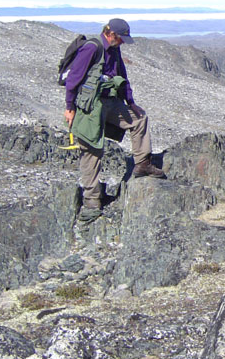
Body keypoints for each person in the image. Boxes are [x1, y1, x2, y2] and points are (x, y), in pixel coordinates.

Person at [64, 18, 165, 223]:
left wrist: (131, 101)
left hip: (109, 102)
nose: (123, 43)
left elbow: (123, 76)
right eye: (121, 38)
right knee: (92, 151)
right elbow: (73, 78)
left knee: (139, 119)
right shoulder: (92, 48)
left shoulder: (114, 49)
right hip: (90, 107)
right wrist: (69, 107)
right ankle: (92, 202)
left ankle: (142, 164)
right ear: (111, 34)